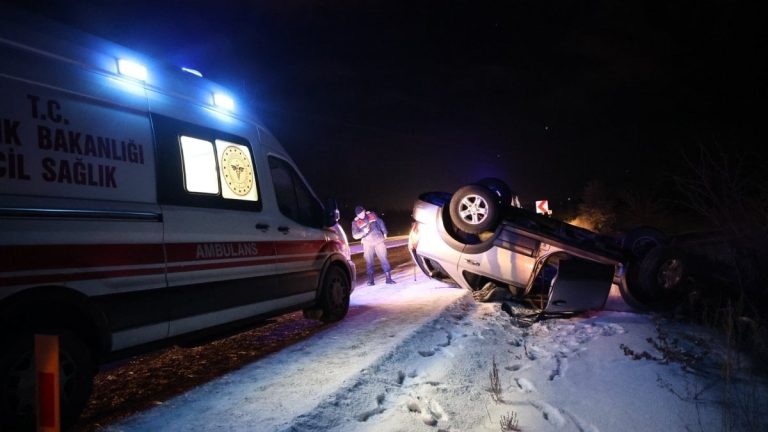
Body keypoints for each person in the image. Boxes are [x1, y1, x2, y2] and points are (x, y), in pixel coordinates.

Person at [351, 205, 395, 285]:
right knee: (369, 262)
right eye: (359, 214)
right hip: (367, 244)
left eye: (362, 212)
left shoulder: (372, 215)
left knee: (384, 259)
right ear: (357, 215)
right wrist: (363, 232)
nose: (361, 215)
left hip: (378, 240)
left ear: (364, 211)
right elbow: (355, 235)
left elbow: (380, 222)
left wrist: (385, 232)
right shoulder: (355, 223)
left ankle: (388, 278)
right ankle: (371, 280)